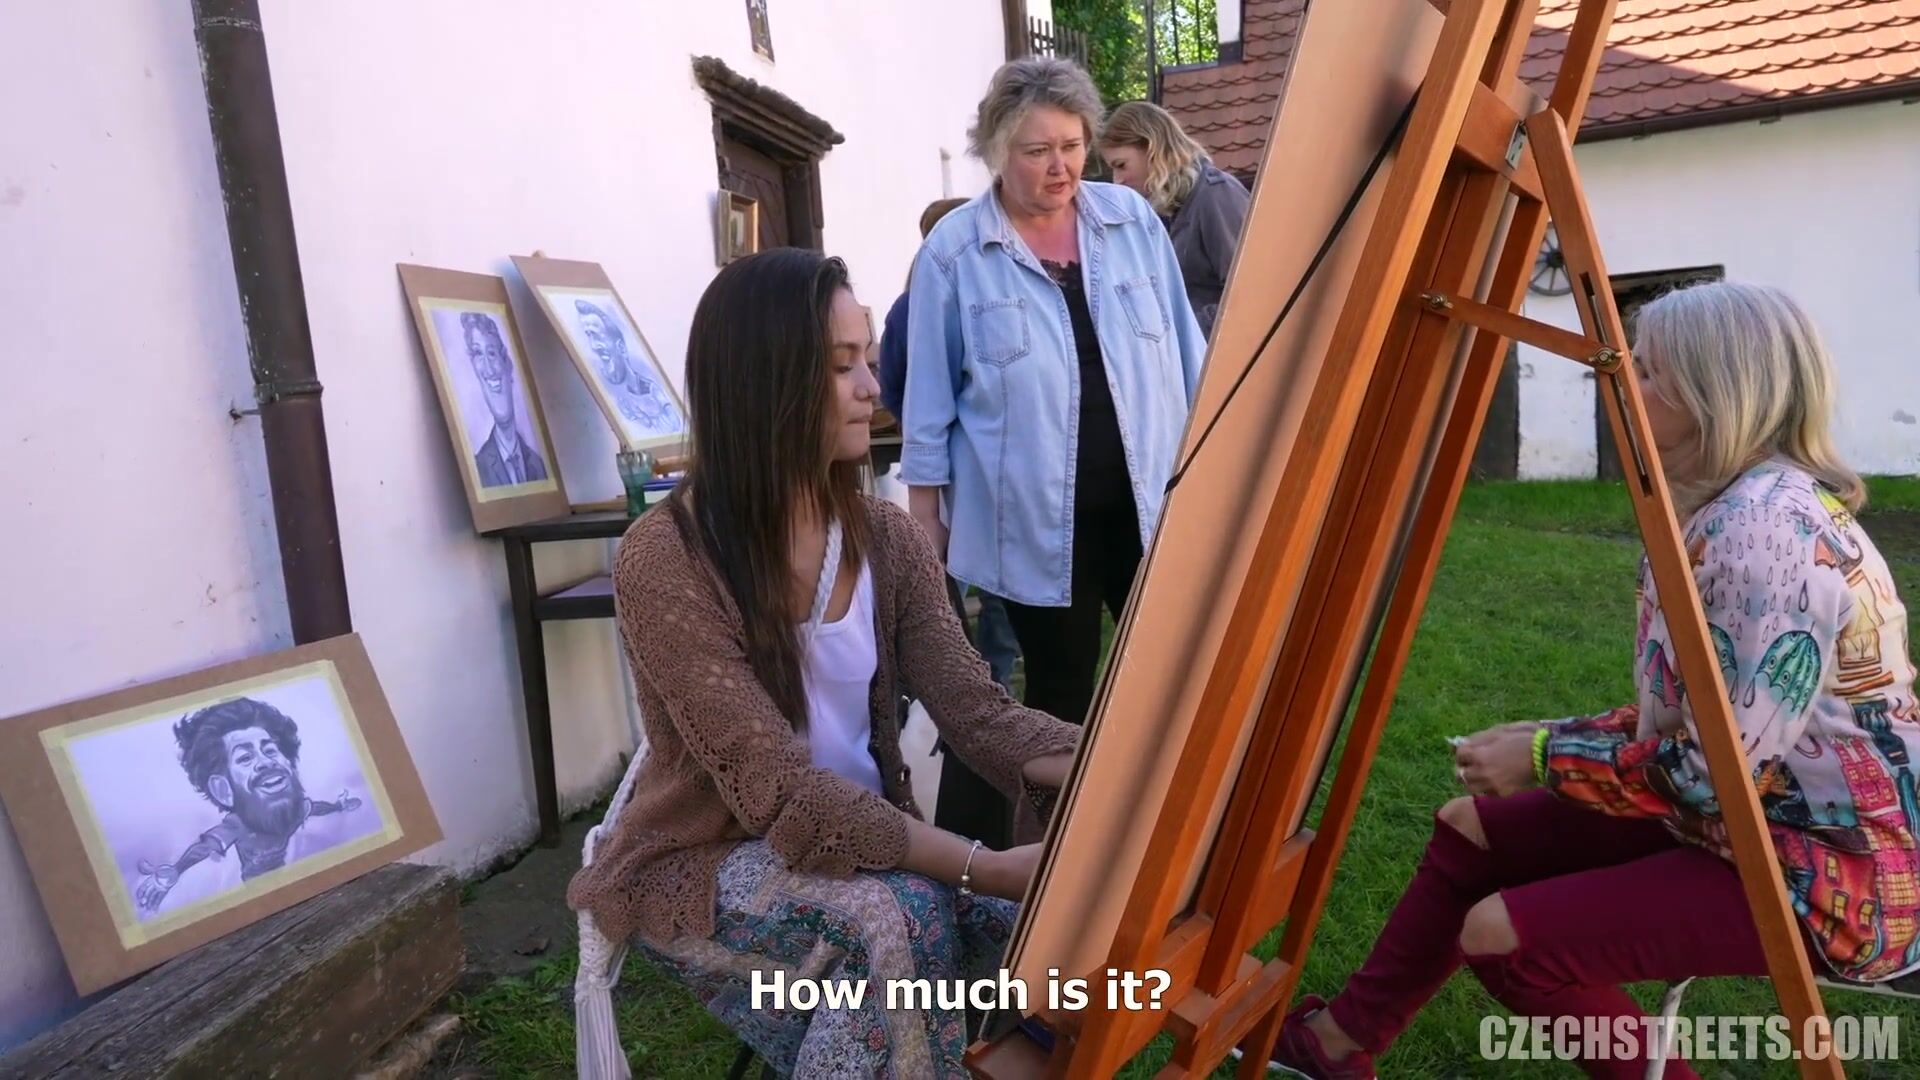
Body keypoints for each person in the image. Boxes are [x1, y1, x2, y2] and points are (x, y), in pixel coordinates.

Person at [1266, 282, 1917, 1080]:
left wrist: (1547, 757)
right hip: (1747, 823)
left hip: (1829, 873)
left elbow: (1715, 772)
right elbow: (1705, 721)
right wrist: (1551, 739)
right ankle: (1337, 1046)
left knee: (1506, 942)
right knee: (1472, 829)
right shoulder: (1732, 505)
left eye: (1645, 370)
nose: (1618, 382)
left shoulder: (1763, 537)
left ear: (1715, 393)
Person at [564, 248, 1082, 1077]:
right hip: (705, 862)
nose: (873, 387)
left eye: (868, 361)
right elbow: (779, 791)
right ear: (765, 384)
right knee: (898, 922)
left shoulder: (887, 539)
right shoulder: (666, 559)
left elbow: (979, 713)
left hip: (868, 848)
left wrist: (1112, 763)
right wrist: (982, 866)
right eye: (842, 367)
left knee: (1047, 942)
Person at [901, 57, 1207, 733]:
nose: (1060, 167)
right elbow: (928, 400)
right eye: (1037, 151)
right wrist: (926, 516)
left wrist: (1210, 468)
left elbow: (1189, 354)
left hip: (1150, 503)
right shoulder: (955, 252)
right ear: (997, 151)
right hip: (1033, 524)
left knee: (1173, 673)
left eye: (1072, 145)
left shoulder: (1131, 221)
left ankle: (1167, 797)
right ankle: (1066, 805)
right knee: (1060, 691)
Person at [879, 196, 1021, 696]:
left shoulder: (999, 295)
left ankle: (981, 680)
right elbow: (898, 386)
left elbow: (893, 388)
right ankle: (957, 680)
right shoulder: (914, 307)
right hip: (959, 469)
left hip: (986, 467)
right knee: (953, 578)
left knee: (980, 579)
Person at [136, 697, 366, 915]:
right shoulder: (239, 825)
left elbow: (314, 807)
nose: (265, 762)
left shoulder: (295, 811)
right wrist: (177, 869)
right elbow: (205, 847)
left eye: (270, 751)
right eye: (245, 758)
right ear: (223, 789)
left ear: (289, 763)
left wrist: (338, 806)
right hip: (258, 895)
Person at [1097, 100, 1250, 336]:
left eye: (1121, 165)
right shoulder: (1167, 210)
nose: (1117, 180)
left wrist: (1180, 333)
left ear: (1152, 148)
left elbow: (1250, 293)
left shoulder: (1217, 194)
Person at [463, 312, 550, 487]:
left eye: (492, 353)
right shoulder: (478, 469)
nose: (489, 370)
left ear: (506, 363)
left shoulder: (540, 465)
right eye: (478, 354)